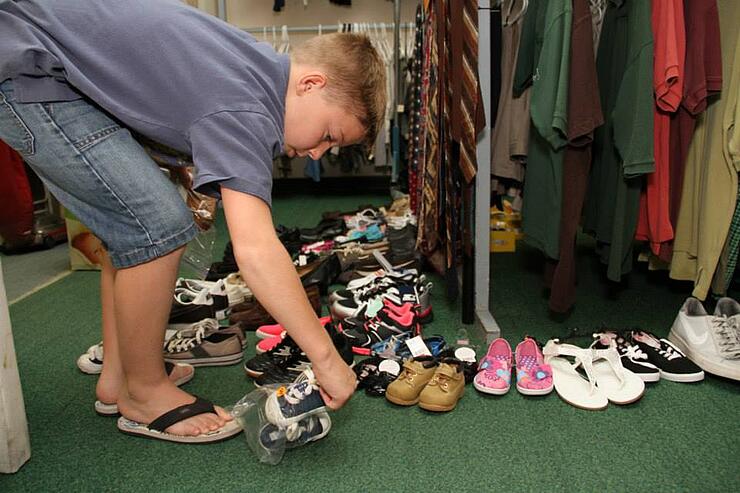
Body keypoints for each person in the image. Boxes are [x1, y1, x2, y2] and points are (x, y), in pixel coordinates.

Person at [0, 0, 386, 443]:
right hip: (29, 68)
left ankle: (119, 376)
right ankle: (144, 393)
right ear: (311, 84)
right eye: (328, 136)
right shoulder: (247, 111)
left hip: (34, 50)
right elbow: (256, 251)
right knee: (155, 226)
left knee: (129, 223)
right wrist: (325, 358)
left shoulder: (254, 64)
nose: (318, 153)